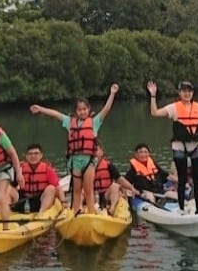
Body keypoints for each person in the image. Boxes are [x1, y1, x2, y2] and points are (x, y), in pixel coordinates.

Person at [29, 83, 119, 214]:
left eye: (84, 109)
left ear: (88, 109)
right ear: (76, 111)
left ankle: (92, 212)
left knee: (88, 190)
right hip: (75, 161)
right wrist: (41, 109)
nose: (82, 112)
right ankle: (75, 212)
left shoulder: (94, 122)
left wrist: (112, 93)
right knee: (76, 190)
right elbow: (55, 114)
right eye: (79, 110)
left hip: (89, 161)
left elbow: (106, 109)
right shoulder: (69, 122)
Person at [147, 79, 198, 214]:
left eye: (189, 91)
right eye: (184, 91)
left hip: (196, 146)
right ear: (180, 93)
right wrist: (153, 95)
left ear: (192, 93)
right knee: (182, 179)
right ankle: (182, 208)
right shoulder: (173, 107)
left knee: (197, 179)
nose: (187, 94)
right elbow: (155, 113)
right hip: (179, 146)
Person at [91, 139, 139, 214]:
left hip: (106, 194)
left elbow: (120, 179)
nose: (94, 153)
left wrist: (131, 188)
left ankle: (112, 208)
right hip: (92, 195)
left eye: (96, 150)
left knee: (115, 186)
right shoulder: (86, 168)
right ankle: (80, 209)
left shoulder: (109, 166)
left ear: (101, 152)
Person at [12, 143, 62, 214]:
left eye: (36, 153)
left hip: (40, 201)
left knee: (51, 188)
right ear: (26, 156)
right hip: (23, 200)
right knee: (9, 188)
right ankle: (5, 210)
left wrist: (63, 202)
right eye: (30, 154)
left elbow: (58, 188)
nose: (33, 156)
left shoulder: (47, 169)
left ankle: (41, 213)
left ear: (41, 155)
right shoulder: (20, 169)